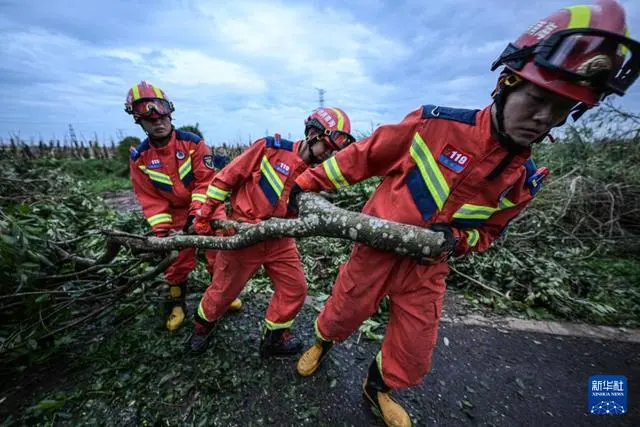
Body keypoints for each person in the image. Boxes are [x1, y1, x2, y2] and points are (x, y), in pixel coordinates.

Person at [290, 1, 639, 426]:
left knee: (415, 348)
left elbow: (492, 232)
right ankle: (323, 345)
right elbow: (359, 158)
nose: (544, 117)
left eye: (562, 108)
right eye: (537, 98)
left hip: (428, 268)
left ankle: (378, 386)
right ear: (507, 83)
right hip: (374, 251)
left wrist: (456, 242)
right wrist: (304, 186)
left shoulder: (523, 179)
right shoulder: (434, 126)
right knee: (342, 310)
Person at [186, 107, 356, 357]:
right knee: (223, 291)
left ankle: (273, 340)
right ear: (312, 135)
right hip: (244, 235)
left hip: (280, 241)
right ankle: (202, 328)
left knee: (295, 289)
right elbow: (225, 178)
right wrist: (204, 214)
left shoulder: (319, 172)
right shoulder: (269, 149)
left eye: (334, 152)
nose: (329, 155)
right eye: (327, 147)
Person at [125, 81, 242, 332]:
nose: (157, 121)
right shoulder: (140, 158)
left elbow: (206, 182)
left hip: (209, 205)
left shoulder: (193, 143)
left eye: (161, 113)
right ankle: (176, 302)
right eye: (149, 116)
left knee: (218, 250)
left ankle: (223, 294)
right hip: (174, 213)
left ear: (169, 112)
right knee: (177, 260)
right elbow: (150, 199)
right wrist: (163, 232)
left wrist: (197, 216)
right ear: (139, 121)